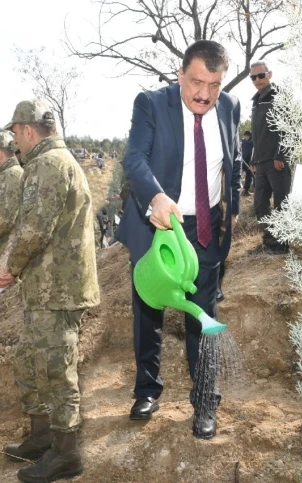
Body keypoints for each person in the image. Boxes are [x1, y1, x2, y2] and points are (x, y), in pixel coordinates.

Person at [118, 40, 242, 439]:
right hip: (159, 224)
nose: (204, 94)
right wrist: (155, 196)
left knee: (202, 314)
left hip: (204, 226)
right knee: (148, 309)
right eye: (196, 82)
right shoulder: (151, 105)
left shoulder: (231, 107)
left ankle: (205, 401)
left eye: (215, 85)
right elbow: (135, 159)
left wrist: (234, 207)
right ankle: (147, 390)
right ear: (179, 75)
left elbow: (233, 158)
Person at [0, 99, 99, 482]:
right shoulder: (53, 162)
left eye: (15, 135)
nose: (15, 144)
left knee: (57, 370)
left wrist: (11, 268)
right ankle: (42, 437)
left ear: (25, 130)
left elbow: (36, 228)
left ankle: (66, 453)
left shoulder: (47, 165)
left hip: (58, 288)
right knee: (30, 359)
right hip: (49, 286)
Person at [249, 60, 291, 255]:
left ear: (269, 74)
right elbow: (256, 134)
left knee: (281, 204)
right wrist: (253, 158)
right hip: (261, 161)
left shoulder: (279, 96)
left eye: (261, 75)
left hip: (277, 161)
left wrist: (281, 154)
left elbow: (288, 128)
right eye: (253, 77)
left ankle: (282, 245)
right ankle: (270, 241)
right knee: (259, 204)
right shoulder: (256, 100)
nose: (257, 80)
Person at [241, 130, 254, 196]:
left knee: (249, 175)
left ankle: (246, 190)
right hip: (242, 160)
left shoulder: (251, 142)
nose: (246, 137)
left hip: (248, 161)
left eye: (247, 136)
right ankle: (242, 190)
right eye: (245, 136)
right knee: (238, 175)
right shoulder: (243, 141)